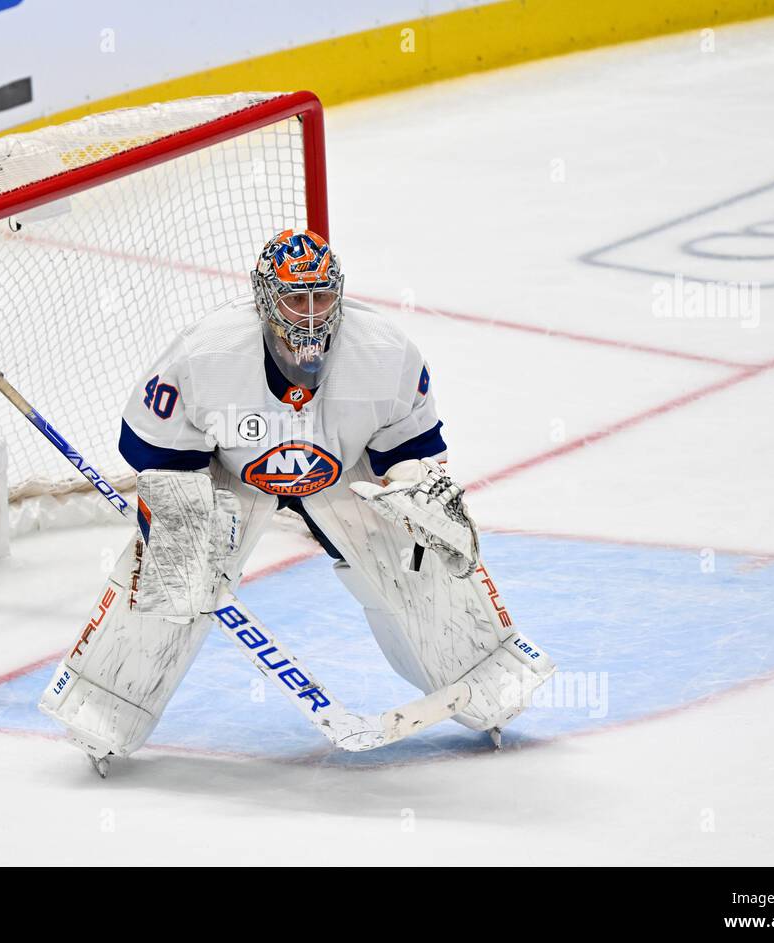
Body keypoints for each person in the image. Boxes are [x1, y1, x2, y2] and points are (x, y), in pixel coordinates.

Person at [39, 229, 554, 771]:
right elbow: (147, 442)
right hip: (232, 467)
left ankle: (488, 684)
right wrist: (182, 519)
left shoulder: (383, 350)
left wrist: (417, 490)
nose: (310, 316)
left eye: (321, 298)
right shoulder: (207, 352)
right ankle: (101, 710)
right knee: (175, 570)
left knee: (416, 556)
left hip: (344, 465)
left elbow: (411, 442)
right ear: (264, 298)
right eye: (295, 299)